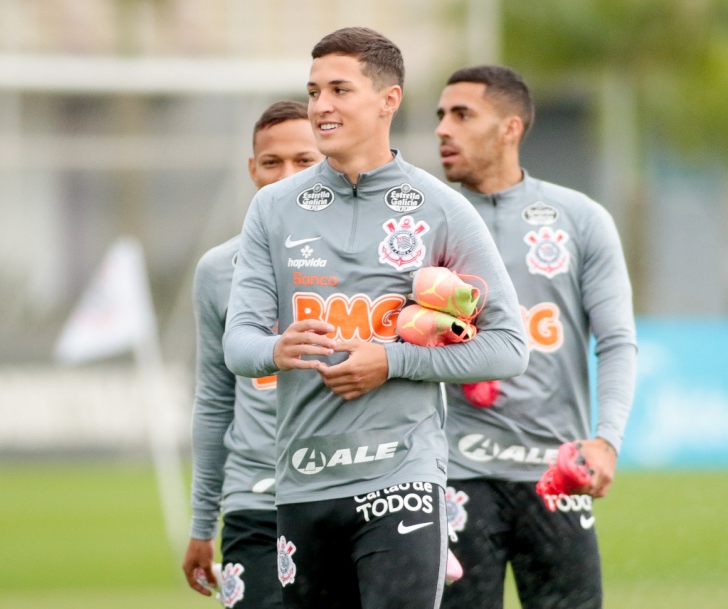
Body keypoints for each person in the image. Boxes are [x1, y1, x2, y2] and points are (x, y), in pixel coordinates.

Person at [223, 27, 528, 609]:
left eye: (339, 89)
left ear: (389, 100)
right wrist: (277, 349)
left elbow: (509, 347)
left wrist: (391, 359)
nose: (321, 106)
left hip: (403, 479)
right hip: (305, 480)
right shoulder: (273, 207)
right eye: (313, 92)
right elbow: (238, 346)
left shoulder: (440, 207)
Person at [435, 65, 637, 609]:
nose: (442, 130)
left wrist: (607, 439)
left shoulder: (579, 218)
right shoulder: (424, 220)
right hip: (454, 469)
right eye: (440, 116)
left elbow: (616, 340)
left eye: (462, 115)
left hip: (556, 472)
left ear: (510, 128)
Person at [181, 100, 324, 609]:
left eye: (304, 161)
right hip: (255, 501)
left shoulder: (366, 255)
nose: (286, 176)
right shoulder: (219, 270)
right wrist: (202, 523)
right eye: (272, 162)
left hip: (347, 494)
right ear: (252, 169)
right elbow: (215, 400)